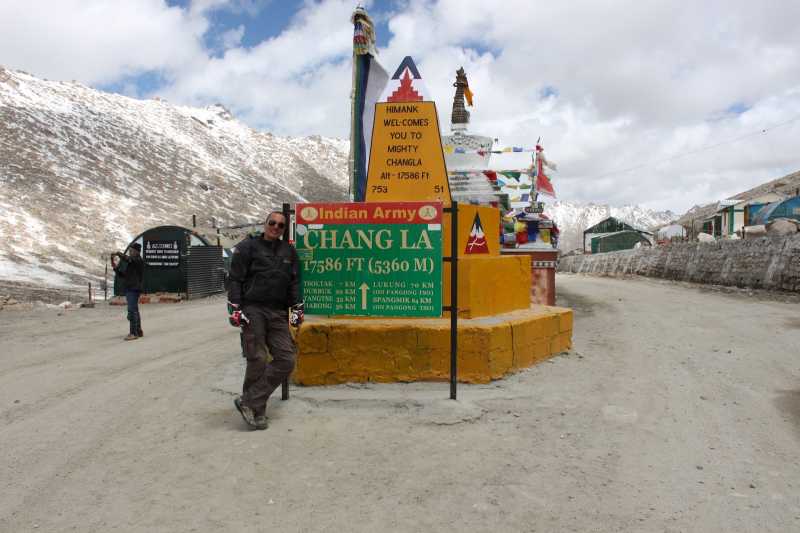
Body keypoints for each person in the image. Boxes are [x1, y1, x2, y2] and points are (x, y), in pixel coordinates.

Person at [227, 211, 304, 430]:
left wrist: (297, 308)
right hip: (253, 309)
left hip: (278, 312)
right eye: (272, 223)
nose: (276, 227)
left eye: (281, 225)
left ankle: (248, 401)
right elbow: (235, 278)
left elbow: (294, 283)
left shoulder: (289, 252)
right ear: (265, 224)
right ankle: (256, 411)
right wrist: (234, 307)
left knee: (286, 359)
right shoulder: (247, 248)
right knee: (257, 358)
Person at [111, 243, 145, 341]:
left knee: (131, 311)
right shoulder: (132, 263)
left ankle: (133, 333)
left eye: (131, 250)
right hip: (130, 288)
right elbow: (124, 275)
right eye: (129, 250)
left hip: (134, 288)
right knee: (134, 310)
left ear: (137, 251)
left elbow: (128, 259)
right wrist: (115, 268)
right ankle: (138, 330)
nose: (130, 252)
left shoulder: (138, 261)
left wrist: (118, 253)